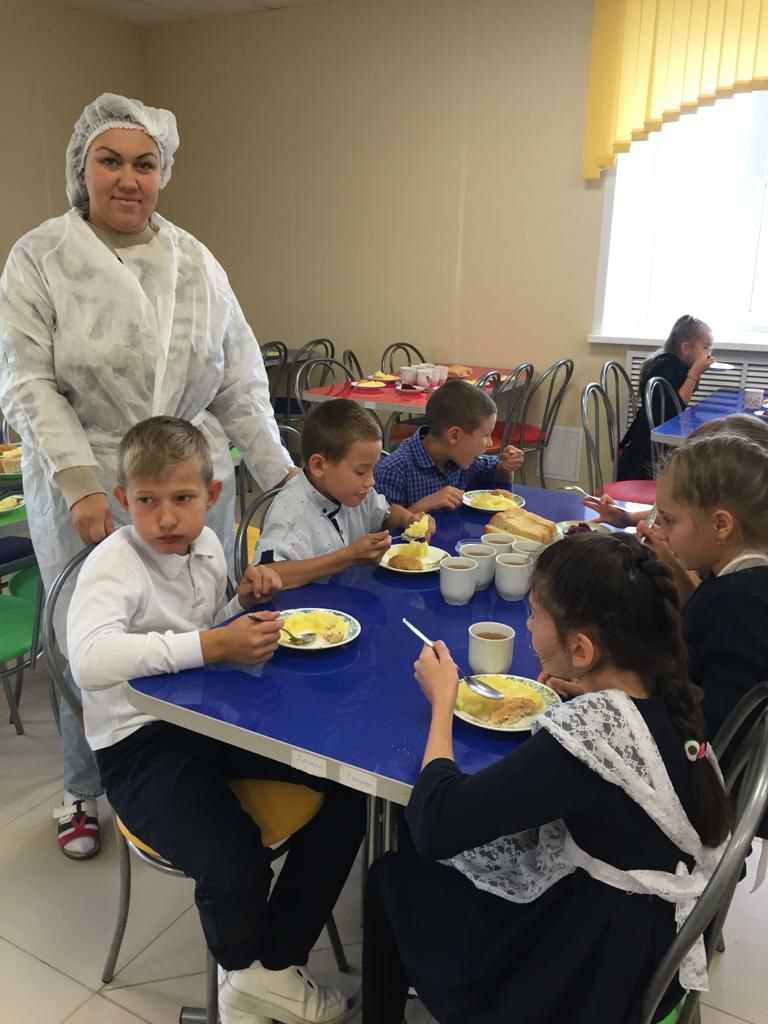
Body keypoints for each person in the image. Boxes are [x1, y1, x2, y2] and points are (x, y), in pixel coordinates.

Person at [0, 94, 294, 859]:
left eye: (145, 163)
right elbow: (27, 381)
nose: (128, 179)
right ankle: (84, 786)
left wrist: (288, 483)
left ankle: (188, 766)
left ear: (163, 173)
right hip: (92, 479)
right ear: (82, 167)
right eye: (111, 161)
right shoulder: (40, 256)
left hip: (189, 477)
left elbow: (240, 379)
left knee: (192, 625)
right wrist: (79, 482)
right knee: (90, 642)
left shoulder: (196, 261)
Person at [361, 533, 730, 1024]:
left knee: (391, 876)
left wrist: (443, 701)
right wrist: (586, 693)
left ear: (581, 648)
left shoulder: (591, 732)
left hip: (590, 971)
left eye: (535, 615)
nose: (529, 625)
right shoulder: (667, 696)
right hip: (645, 940)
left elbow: (436, 822)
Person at [68, 417, 364, 1024]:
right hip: (136, 743)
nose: (166, 518)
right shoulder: (114, 563)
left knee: (347, 788)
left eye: (183, 499)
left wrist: (241, 605)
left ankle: (268, 970)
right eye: (147, 502)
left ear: (212, 494)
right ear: (123, 500)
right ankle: (249, 976)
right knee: (233, 858)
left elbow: (204, 626)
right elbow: (90, 660)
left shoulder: (204, 546)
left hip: (206, 717)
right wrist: (212, 644)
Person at [649, 432, 768, 740]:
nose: (661, 532)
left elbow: (716, 734)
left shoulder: (737, 607)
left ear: (720, 525)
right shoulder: (740, 585)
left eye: (669, 520)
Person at [254, 399, 434, 586]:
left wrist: (408, 519)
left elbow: (385, 515)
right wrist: (348, 557)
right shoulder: (290, 512)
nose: (371, 481)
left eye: (373, 469)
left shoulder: (356, 492)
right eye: (361, 471)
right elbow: (266, 574)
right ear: (319, 466)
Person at [372, 380, 524, 511]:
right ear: (454, 436)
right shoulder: (393, 471)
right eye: (486, 435)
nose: (490, 443)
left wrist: (506, 467)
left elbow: (497, 475)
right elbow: (384, 527)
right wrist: (426, 505)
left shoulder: (460, 458)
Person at [617, 315, 714, 481]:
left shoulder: (678, 365)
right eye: (706, 348)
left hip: (655, 443)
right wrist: (695, 373)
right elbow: (674, 409)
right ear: (686, 348)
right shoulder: (666, 366)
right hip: (646, 453)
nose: (709, 354)